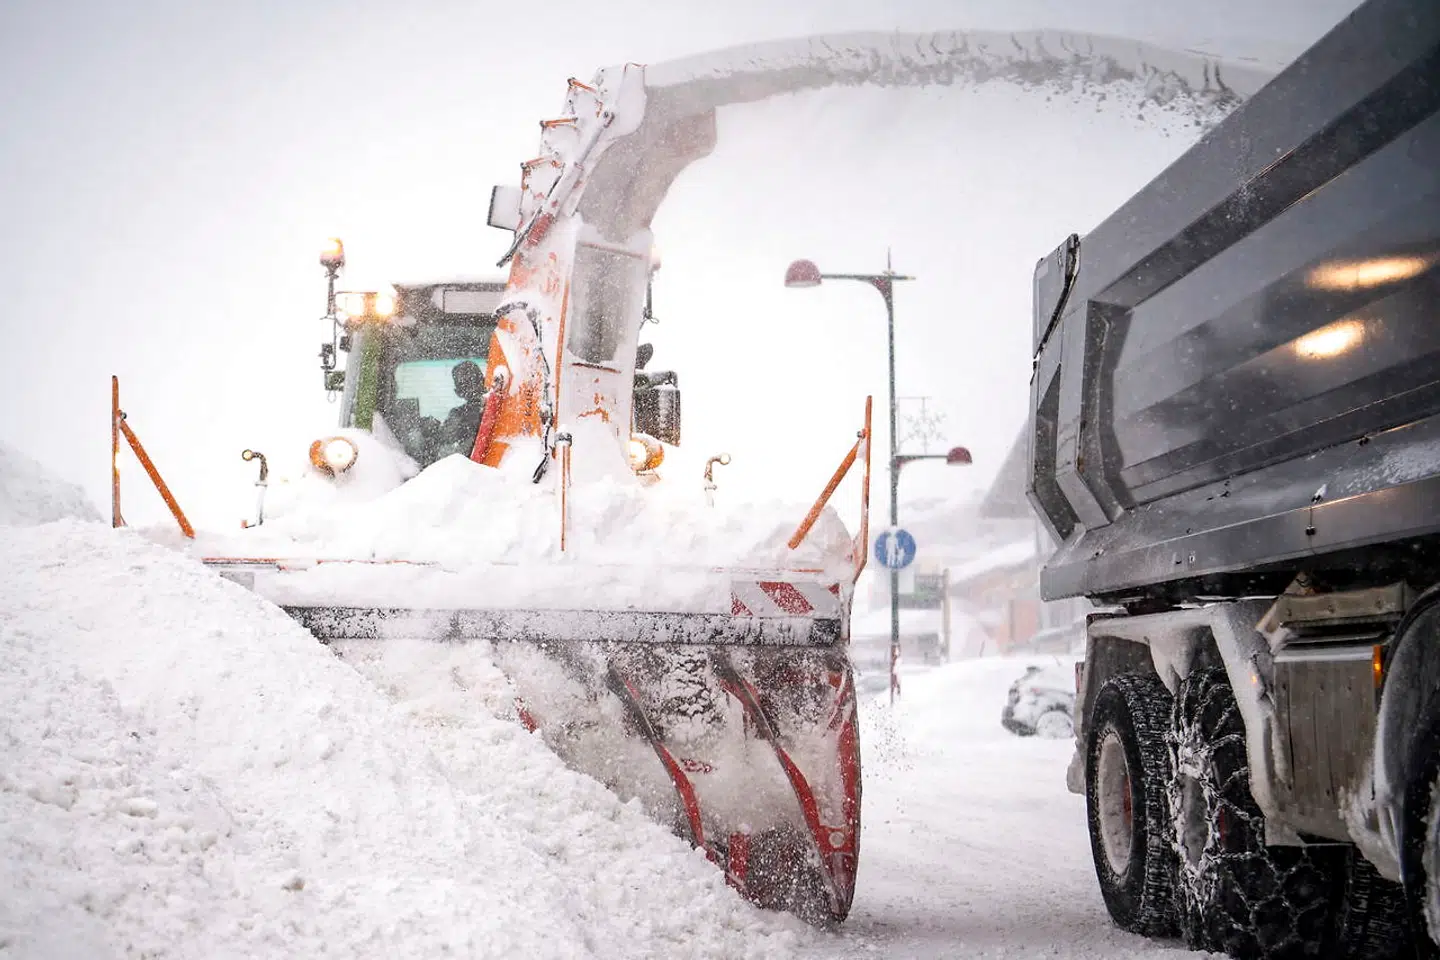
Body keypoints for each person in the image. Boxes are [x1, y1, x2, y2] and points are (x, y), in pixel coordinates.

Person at [439, 360, 487, 454]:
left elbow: (446, 448)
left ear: (457, 392)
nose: (471, 387)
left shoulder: (457, 415)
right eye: (464, 384)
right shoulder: (500, 404)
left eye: (473, 380)